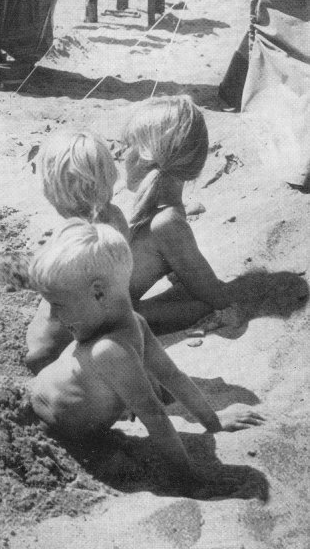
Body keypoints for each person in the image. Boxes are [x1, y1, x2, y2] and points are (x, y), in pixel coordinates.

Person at [28, 220, 264, 490]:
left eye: (58, 305)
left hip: (67, 430)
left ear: (98, 292)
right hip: (44, 423)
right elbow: (166, 395)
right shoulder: (131, 326)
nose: (56, 317)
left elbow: (164, 398)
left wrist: (209, 432)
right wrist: (196, 461)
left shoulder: (112, 346)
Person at [122, 94, 233, 333]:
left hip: (75, 316)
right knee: (203, 307)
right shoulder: (166, 220)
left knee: (202, 304)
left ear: (146, 158)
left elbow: (212, 295)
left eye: (129, 146)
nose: (123, 155)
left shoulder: (158, 217)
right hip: (84, 319)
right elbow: (215, 295)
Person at [26, 130, 129, 373]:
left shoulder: (69, 240)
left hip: (54, 347)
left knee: (37, 353)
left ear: (53, 191)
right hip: (101, 326)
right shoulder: (115, 218)